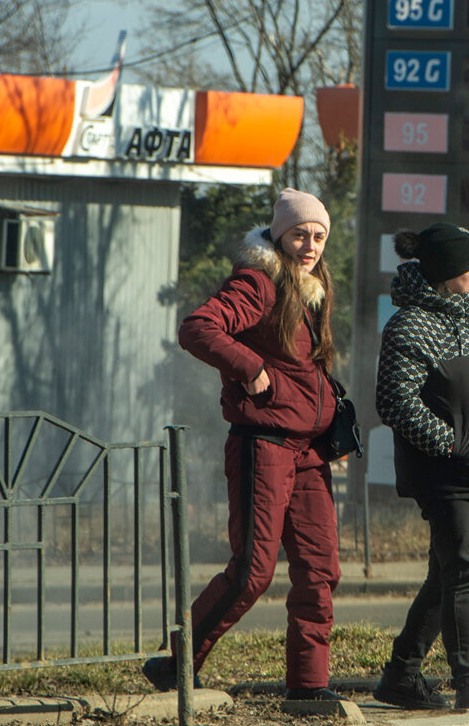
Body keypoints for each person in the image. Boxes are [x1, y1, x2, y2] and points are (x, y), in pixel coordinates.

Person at [143, 188, 345, 701]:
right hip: (264, 444)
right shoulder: (260, 281)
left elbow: (304, 369)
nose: (310, 244)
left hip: (309, 450)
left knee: (320, 570)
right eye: (300, 233)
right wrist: (251, 368)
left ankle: (308, 687)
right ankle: (176, 663)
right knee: (254, 570)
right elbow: (198, 328)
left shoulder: (313, 287)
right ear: (279, 234)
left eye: (319, 235)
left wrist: (329, 423)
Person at [372, 223, 469, 711]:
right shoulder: (410, 325)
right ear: (446, 271)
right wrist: (451, 444)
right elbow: (394, 402)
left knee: (445, 575)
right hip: (444, 473)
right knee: (465, 570)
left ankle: (400, 675)